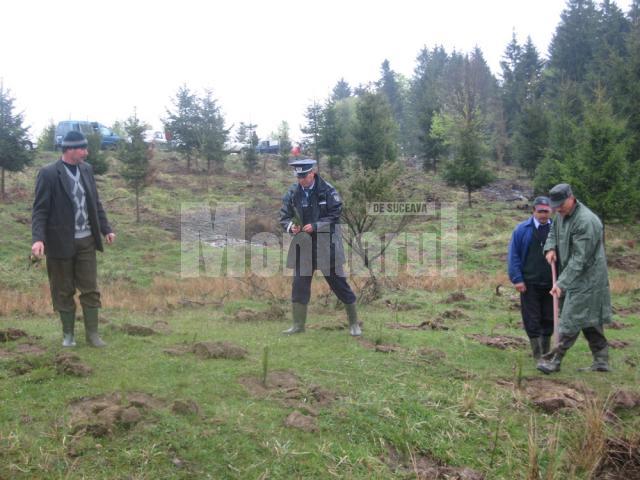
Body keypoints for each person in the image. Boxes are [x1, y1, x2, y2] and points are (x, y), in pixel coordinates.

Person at [31, 131, 116, 348]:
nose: (86, 152)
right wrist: (38, 239)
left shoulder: (86, 170)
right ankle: (68, 335)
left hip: (86, 240)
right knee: (62, 289)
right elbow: (40, 210)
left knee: (90, 288)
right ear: (70, 150)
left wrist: (106, 229)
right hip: (59, 243)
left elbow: (95, 203)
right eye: (82, 149)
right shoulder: (48, 173)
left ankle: (93, 335)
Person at [279, 159, 361, 336]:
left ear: (312, 173)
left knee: (339, 283)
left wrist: (316, 225)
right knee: (299, 284)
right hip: (303, 245)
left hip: (326, 244)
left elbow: (335, 214)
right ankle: (298, 326)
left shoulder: (327, 191)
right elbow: (284, 216)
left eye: (304, 176)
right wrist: (290, 227)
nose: (301, 180)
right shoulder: (292, 192)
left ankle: (354, 324)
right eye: (298, 177)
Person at [537, 183, 612, 374]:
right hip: (572, 274)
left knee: (571, 317)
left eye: (561, 204)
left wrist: (561, 283)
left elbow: (580, 259)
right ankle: (601, 361)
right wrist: (550, 247)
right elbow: (553, 232)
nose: (557, 209)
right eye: (555, 205)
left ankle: (554, 360)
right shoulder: (562, 214)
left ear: (571, 198)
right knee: (590, 319)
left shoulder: (586, 221)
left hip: (588, 278)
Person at [508, 196, 554, 362]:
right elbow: (514, 256)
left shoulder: (557, 229)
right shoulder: (522, 229)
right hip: (529, 283)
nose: (543, 214)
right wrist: (517, 279)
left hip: (552, 283)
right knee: (532, 318)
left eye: (546, 211)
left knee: (549, 318)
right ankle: (537, 356)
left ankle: (547, 353)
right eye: (540, 211)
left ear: (551, 211)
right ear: (533, 211)